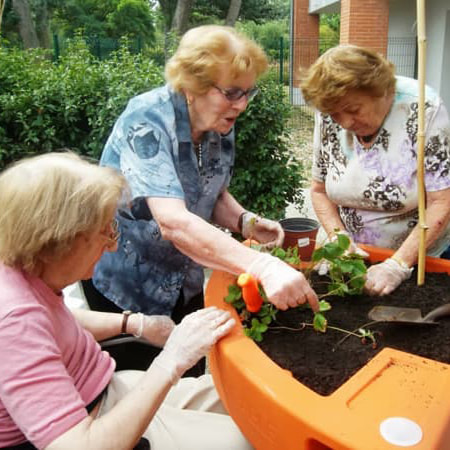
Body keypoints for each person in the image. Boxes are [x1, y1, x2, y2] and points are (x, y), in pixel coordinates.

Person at [82, 24, 319, 365]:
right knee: (143, 386)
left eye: (248, 93)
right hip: (129, 287)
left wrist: (246, 222)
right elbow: (173, 222)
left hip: (184, 279)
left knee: (190, 369)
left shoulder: (218, 122)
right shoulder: (146, 119)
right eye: (233, 92)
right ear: (193, 85)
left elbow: (212, 193)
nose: (242, 105)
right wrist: (263, 265)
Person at [0, 151, 253, 450]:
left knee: (243, 397)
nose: (113, 244)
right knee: (248, 440)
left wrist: (136, 324)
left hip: (105, 387)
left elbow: (55, 322)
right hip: (93, 427)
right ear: (56, 243)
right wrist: (172, 360)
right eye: (104, 231)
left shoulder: (22, 269)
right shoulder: (14, 321)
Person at [299, 44, 450, 296]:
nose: (345, 123)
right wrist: (340, 239)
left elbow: (441, 201)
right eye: (335, 115)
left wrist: (397, 264)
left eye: (353, 110)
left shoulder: (422, 108)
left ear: (382, 91)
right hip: (358, 260)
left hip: (420, 260)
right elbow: (319, 190)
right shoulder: (328, 113)